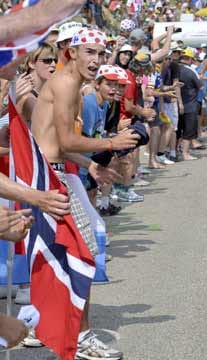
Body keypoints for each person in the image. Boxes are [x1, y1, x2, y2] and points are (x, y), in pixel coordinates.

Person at [30, 28, 138, 360]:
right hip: (49, 179)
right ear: (72, 52)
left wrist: (89, 166)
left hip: (54, 173)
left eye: (101, 54)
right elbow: (63, 141)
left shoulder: (72, 85)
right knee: (83, 254)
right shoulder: (65, 84)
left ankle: (43, 326)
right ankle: (81, 337)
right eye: (89, 52)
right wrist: (110, 144)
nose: (96, 61)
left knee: (60, 256)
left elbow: (55, 143)